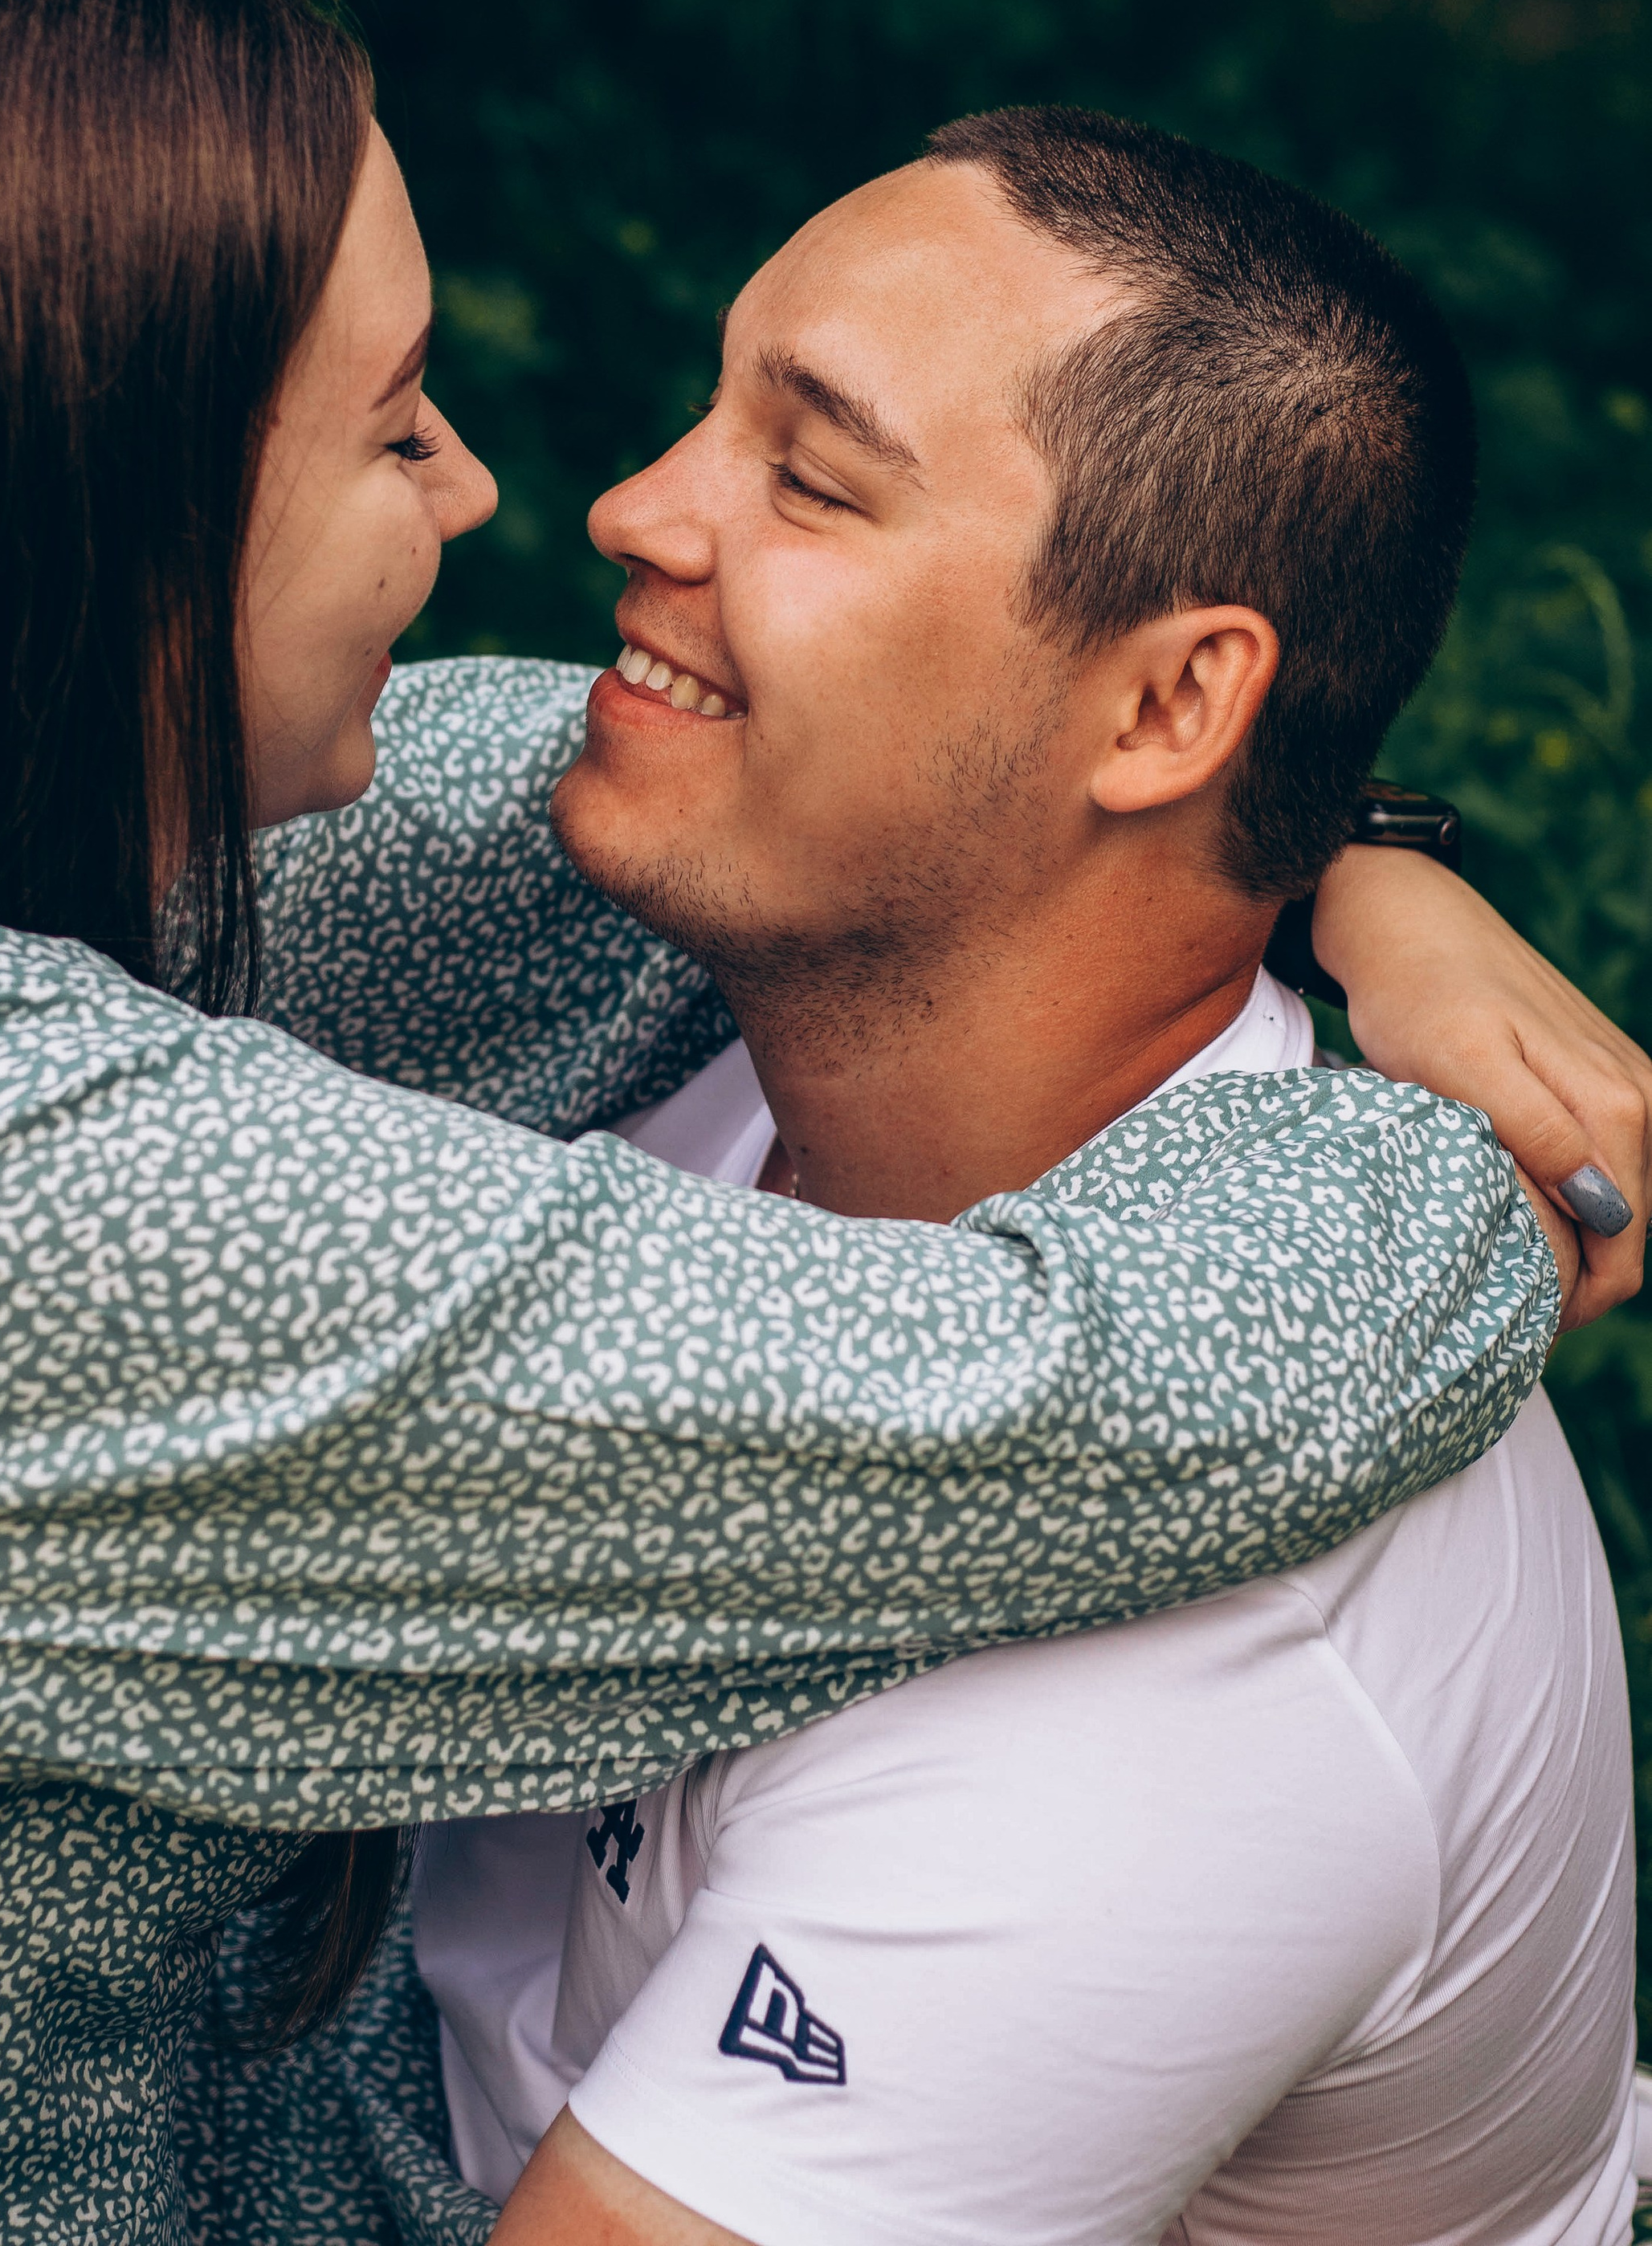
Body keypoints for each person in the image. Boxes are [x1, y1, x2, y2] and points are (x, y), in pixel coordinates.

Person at [0, 0, 1633, 2246]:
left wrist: (1353, 860)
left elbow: (910, 815)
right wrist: (1474, 1177)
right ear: (106, 529)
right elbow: (1057, 1391)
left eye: (813, 473)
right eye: (388, 426)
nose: (539, 504)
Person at [395, 110, 1637, 2246]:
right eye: (712, 411)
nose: (628, 508)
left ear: (1166, 705)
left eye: (808, 474)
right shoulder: (714, 954)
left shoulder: (1183, 1719)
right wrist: (1372, 850)